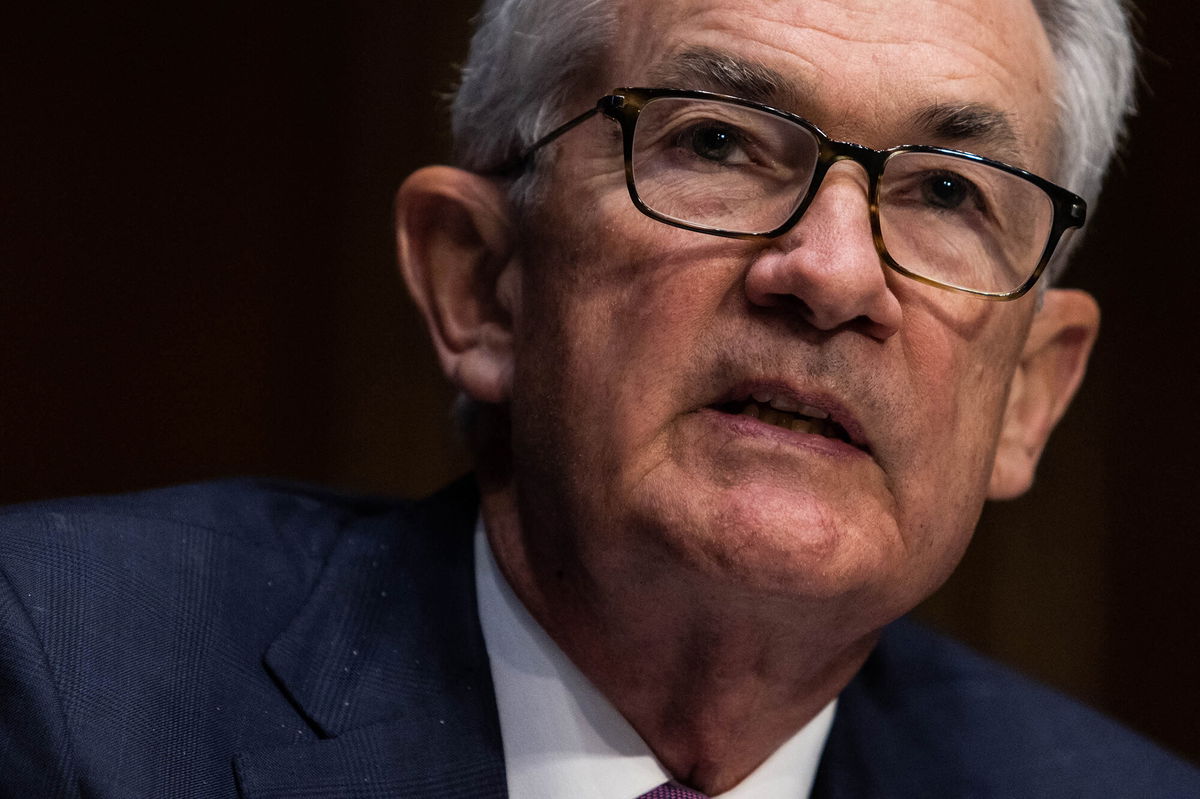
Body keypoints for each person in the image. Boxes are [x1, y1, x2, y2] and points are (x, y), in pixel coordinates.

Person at [1, 0, 1197, 796]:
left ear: (1031, 393)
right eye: (718, 144)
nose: (834, 274)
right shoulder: (63, 681)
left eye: (946, 190)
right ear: (481, 284)